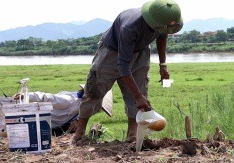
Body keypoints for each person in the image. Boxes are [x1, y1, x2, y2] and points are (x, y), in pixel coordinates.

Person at [72, 0, 183, 143]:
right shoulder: (130, 27)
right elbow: (123, 65)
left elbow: (162, 35)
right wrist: (138, 97)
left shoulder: (162, 23)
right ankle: (79, 133)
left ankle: (132, 134)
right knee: (95, 91)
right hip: (111, 52)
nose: (165, 30)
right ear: (153, 22)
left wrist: (163, 65)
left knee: (139, 89)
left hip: (140, 51)